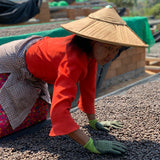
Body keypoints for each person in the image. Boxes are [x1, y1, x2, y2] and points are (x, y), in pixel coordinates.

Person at [0, 6, 148, 155]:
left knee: (35, 117)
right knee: (6, 121)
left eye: (116, 50)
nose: (111, 55)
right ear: (92, 42)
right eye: (109, 47)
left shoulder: (90, 55)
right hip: (12, 61)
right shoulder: (72, 60)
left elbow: (88, 88)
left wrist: (93, 122)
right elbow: (59, 112)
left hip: (34, 61)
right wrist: (90, 144)